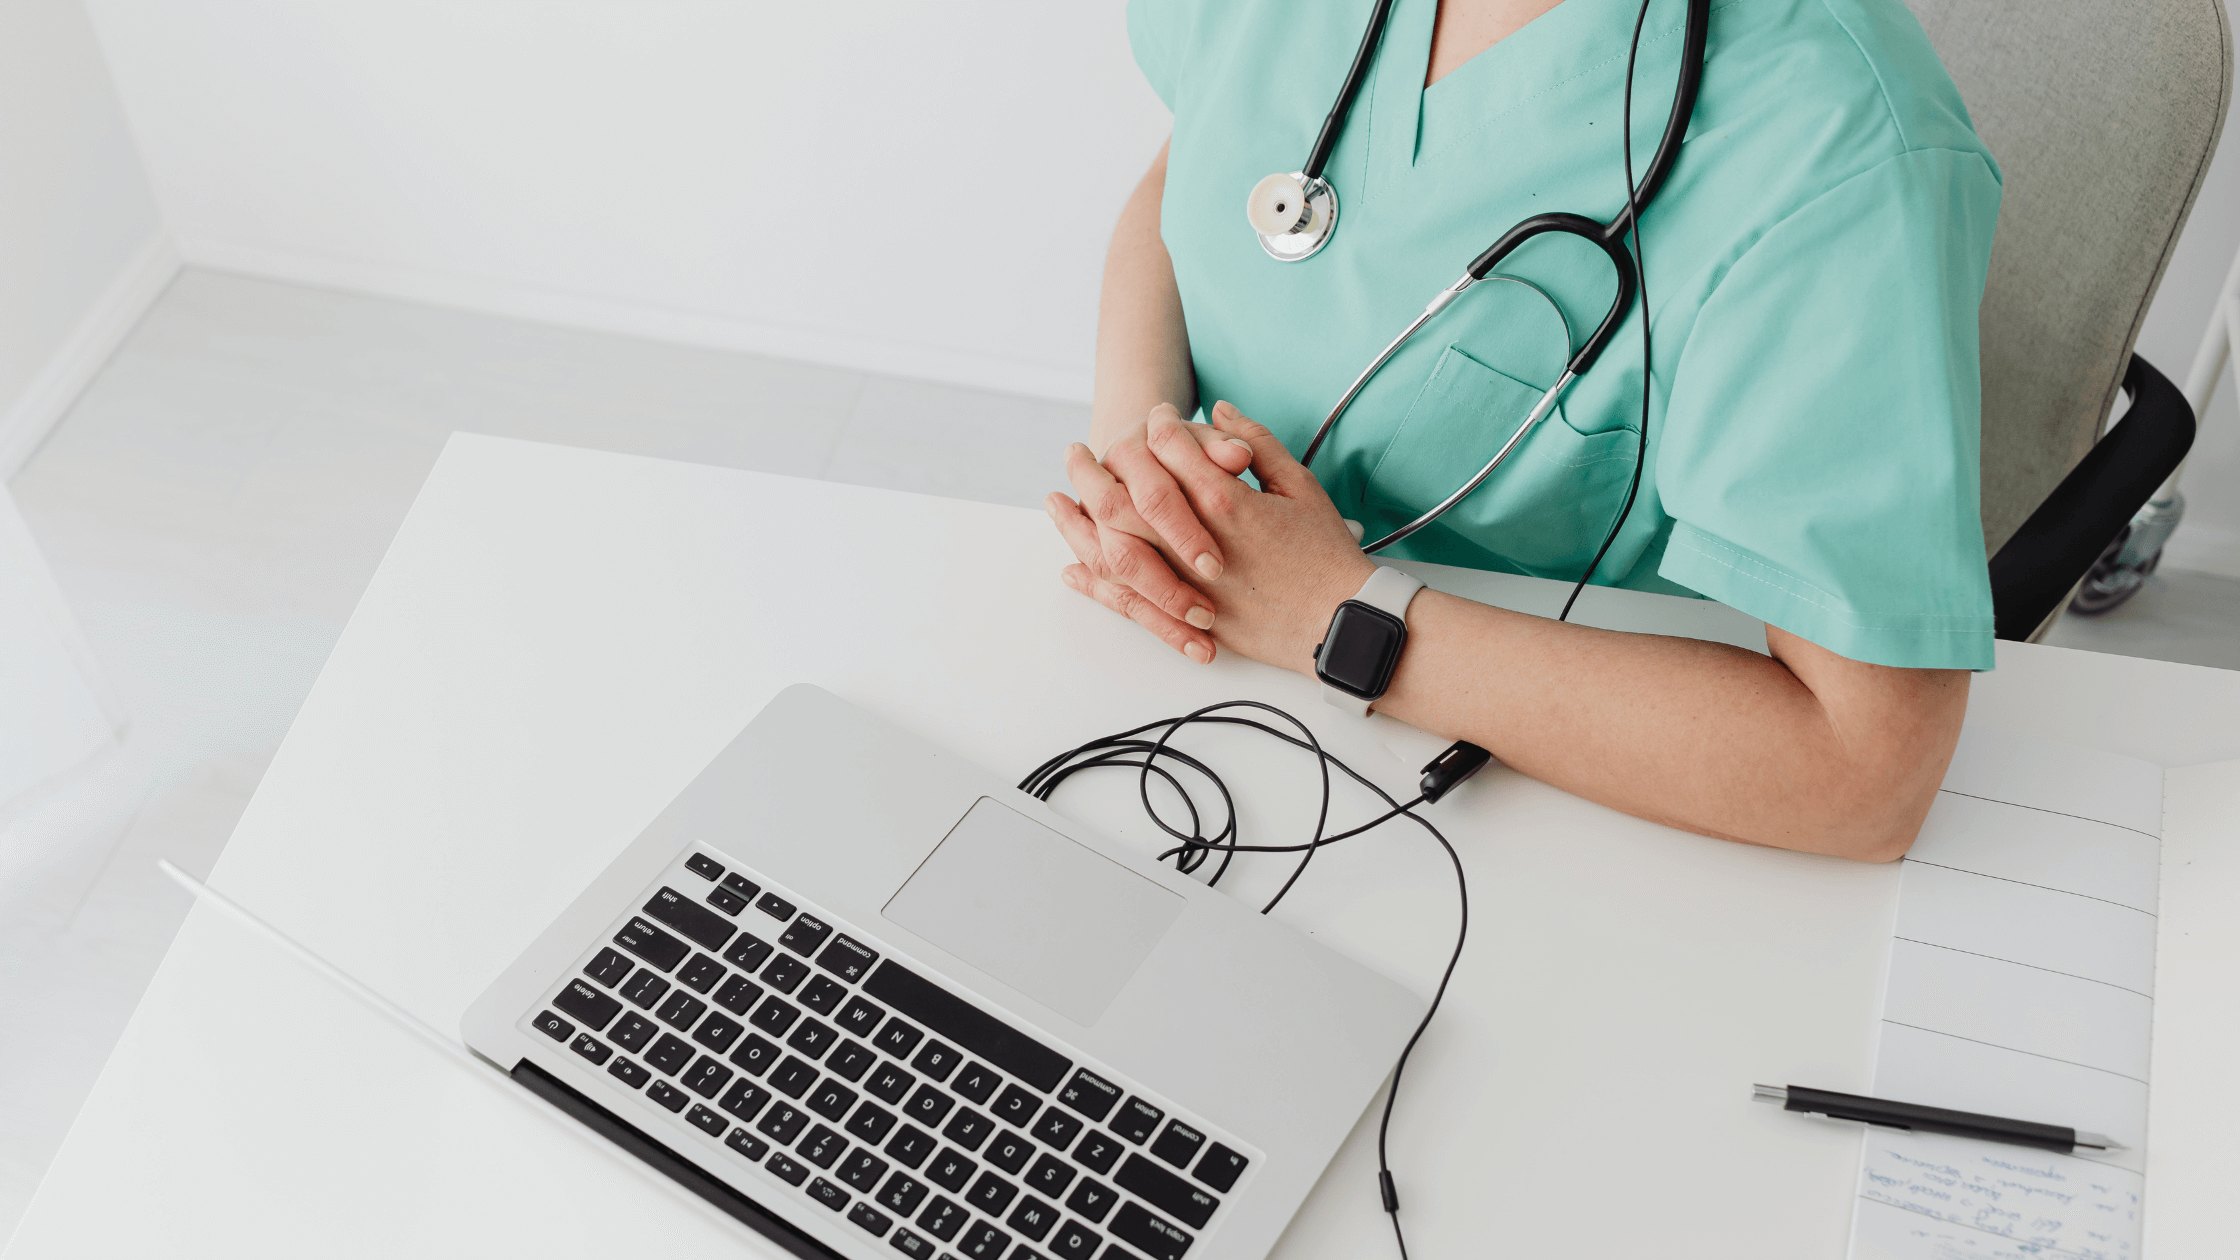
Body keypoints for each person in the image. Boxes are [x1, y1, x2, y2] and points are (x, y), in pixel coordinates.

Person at [1044, 0, 2002, 861]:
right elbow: (1190, 167)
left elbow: (1869, 773)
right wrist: (1146, 457)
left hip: (1520, 794)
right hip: (1174, 679)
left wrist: (1340, 621)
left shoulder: (1840, 140)